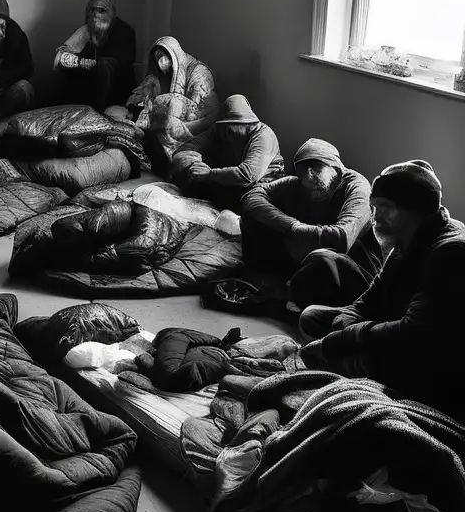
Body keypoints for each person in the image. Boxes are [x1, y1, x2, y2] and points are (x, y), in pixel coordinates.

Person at [299, 161, 465, 415]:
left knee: (344, 356)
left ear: (414, 210)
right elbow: (370, 298)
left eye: (385, 208)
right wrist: (347, 320)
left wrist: (342, 339)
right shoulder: (405, 240)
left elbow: (413, 334)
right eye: (374, 207)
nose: (376, 217)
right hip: (395, 331)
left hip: (434, 360)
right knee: (311, 316)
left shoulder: (451, 252)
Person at [240, 138, 385, 309]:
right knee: (252, 218)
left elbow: (341, 238)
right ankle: (275, 281)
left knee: (323, 258)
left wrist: (297, 231)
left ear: (334, 166)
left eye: (316, 169)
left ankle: (292, 296)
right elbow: (251, 197)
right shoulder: (298, 183)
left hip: (351, 266)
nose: (307, 178)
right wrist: (290, 225)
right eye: (302, 172)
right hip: (305, 252)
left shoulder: (358, 188)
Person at [122, 35, 219, 174]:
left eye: (164, 54)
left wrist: (158, 106)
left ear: (174, 54)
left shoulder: (199, 72)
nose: (161, 60)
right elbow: (139, 96)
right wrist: (142, 101)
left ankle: (169, 159)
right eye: (157, 56)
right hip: (171, 118)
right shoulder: (162, 74)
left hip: (198, 121)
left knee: (172, 104)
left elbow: (197, 108)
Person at [170, 94, 284, 211]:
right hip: (228, 180)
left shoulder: (264, 136)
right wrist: (194, 164)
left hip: (261, 185)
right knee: (184, 178)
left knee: (250, 205)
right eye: (227, 128)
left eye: (233, 128)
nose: (227, 134)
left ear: (247, 125)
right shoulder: (221, 128)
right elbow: (185, 149)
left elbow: (248, 175)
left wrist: (209, 174)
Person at [53, 0, 136, 112]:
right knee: (63, 72)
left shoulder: (125, 31)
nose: (95, 14)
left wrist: (92, 62)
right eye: (92, 10)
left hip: (116, 87)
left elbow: (122, 61)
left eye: (101, 10)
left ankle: (97, 112)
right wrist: (78, 61)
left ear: (111, 14)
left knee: (105, 64)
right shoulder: (86, 30)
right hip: (88, 82)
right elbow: (61, 56)